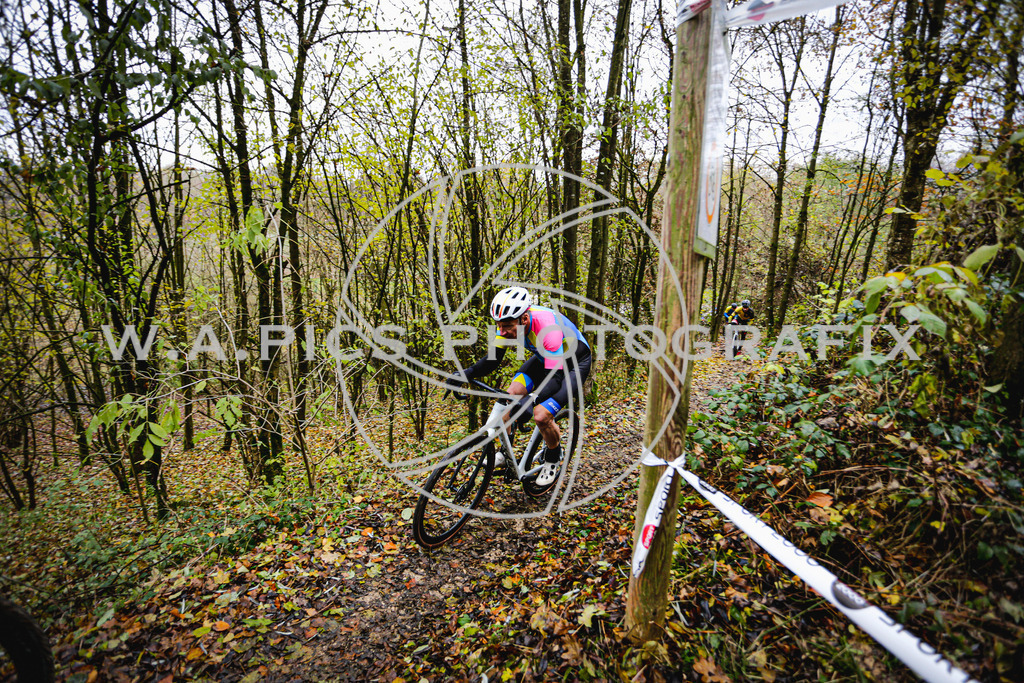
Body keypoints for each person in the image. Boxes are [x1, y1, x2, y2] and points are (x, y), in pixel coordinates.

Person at [451, 286, 592, 487]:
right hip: (546, 358)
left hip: (573, 365)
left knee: (541, 415)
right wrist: (466, 374)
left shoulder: (546, 329)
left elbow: (555, 378)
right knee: (509, 396)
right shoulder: (508, 324)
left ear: (524, 319)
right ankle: (504, 453)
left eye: (507, 326)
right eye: (499, 325)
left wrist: (531, 401)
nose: (502, 331)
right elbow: (492, 361)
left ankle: (552, 458)